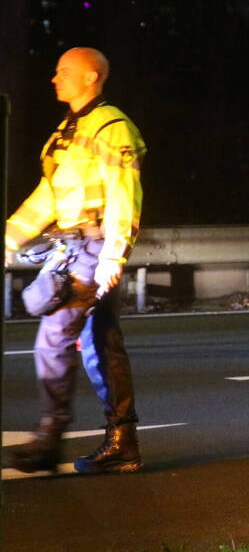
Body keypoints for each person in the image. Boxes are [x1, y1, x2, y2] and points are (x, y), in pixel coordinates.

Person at [4, 47, 146, 474]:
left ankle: (50, 439)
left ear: (92, 77)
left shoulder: (111, 127)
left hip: (92, 251)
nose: (54, 78)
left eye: (63, 70)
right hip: (75, 249)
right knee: (102, 345)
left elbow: (124, 194)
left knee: (52, 339)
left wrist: (113, 256)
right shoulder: (69, 131)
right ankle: (123, 443)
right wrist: (10, 236)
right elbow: (48, 196)